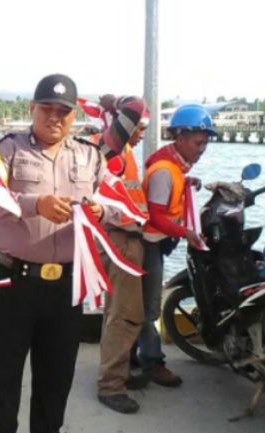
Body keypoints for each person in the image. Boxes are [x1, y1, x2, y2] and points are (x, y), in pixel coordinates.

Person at [0, 73, 108, 433]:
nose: (55, 117)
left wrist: (103, 210)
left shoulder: (89, 157)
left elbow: (116, 201)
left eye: (63, 111)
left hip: (64, 282)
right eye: (47, 108)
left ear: (73, 116)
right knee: (1, 373)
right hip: (11, 279)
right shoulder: (4, 150)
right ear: (32, 108)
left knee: (58, 371)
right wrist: (35, 204)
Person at [137, 104, 210, 388]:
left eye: (205, 143)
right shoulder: (165, 171)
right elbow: (155, 214)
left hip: (155, 244)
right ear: (179, 138)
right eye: (198, 142)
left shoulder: (175, 168)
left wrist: (187, 180)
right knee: (149, 308)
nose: (202, 148)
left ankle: (137, 356)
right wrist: (187, 233)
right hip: (148, 245)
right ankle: (152, 362)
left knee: (144, 305)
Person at [91, 95, 151, 414]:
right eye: (139, 127)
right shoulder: (112, 152)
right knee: (126, 314)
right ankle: (111, 385)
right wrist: (118, 103)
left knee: (118, 312)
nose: (141, 132)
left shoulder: (125, 153)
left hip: (123, 238)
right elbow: (135, 105)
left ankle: (119, 373)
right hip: (120, 240)